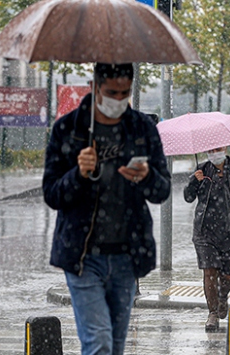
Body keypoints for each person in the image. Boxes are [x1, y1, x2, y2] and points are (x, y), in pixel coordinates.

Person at [42, 63, 171, 354]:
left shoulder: (142, 128)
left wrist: (146, 176)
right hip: (83, 257)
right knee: (98, 342)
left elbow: (162, 191)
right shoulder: (68, 130)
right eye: (112, 92)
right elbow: (51, 194)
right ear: (95, 86)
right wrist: (78, 174)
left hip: (126, 256)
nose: (118, 100)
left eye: (124, 93)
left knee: (114, 346)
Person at [183, 146, 230, 331]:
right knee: (209, 272)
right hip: (205, 232)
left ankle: (222, 296)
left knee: (228, 275)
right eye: (211, 149)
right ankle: (213, 313)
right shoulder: (201, 169)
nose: (215, 152)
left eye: (218, 149)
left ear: (225, 148)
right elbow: (188, 197)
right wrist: (194, 180)